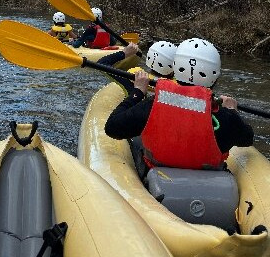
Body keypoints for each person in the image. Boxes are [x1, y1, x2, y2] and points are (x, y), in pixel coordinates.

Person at [105, 37, 254, 172]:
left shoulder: (152, 105)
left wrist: (137, 92)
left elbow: (112, 128)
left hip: (156, 172)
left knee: (137, 141)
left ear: (175, 68)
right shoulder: (225, 118)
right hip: (209, 182)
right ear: (214, 77)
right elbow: (247, 139)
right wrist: (232, 111)